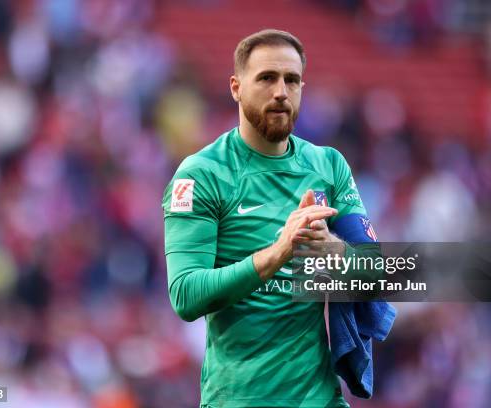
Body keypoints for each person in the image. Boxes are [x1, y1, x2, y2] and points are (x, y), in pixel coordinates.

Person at [162, 29, 393, 408]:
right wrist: (279, 252)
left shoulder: (328, 165)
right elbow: (186, 294)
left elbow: (378, 272)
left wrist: (331, 248)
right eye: (267, 78)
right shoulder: (200, 175)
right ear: (236, 87)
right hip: (239, 398)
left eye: (292, 80)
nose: (281, 91)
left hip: (318, 397)